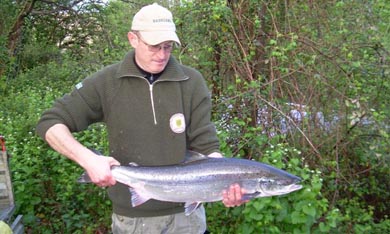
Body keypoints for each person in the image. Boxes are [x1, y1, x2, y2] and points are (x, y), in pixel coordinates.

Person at [37, 3, 245, 233]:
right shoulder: (107, 82)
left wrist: (225, 183)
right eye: (154, 46)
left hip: (188, 218)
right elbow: (50, 122)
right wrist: (88, 159)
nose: (162, 55)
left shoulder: (192, 81)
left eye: (168, 47)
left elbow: (207, 146)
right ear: (132, 39)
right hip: (133, 220)